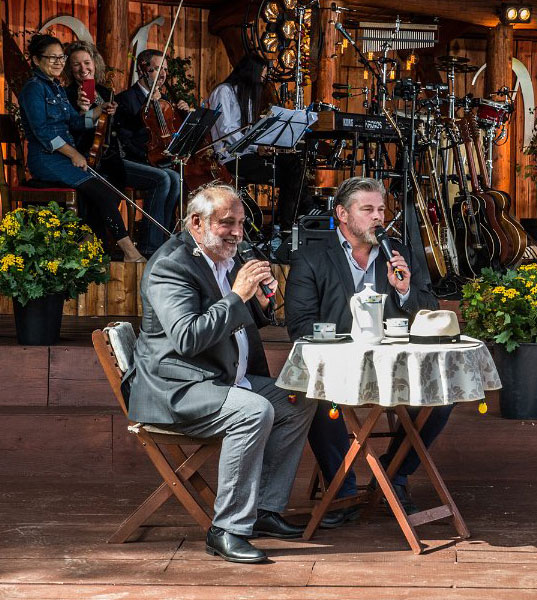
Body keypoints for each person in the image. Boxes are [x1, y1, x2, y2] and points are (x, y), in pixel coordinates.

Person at [124, 183, 317, 563]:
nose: (237, 233)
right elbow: (187, 337)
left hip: (222, 377)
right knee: (253, 411)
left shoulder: (224, 257)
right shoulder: (170, 266)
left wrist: (259, 300)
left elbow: (239, 319)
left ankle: (263, 509)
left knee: (299, 399)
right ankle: (227, 529)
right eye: (227, 223)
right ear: (196, 222)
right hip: (178, 387)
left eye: (241, 224)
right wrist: (237, 295)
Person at [284, 176, 444, 526]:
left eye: (382, 210)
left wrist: (404, 291)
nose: (378, 217)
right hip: (338, 366)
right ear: (342, 214)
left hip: (393, 366)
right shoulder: (312, 257)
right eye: (368, 209)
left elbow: (428, 310)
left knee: (442, 395)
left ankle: (393, 475)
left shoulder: (398, 253)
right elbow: (299, 324)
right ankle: (341, 488)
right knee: (315, 394)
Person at [17, 34, 144, 262]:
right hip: (46, 159)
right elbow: (43, 133)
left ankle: (91, 246)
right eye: (52, 58)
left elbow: (75, 122)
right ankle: (129, 252)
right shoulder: (33, 89)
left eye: (61, 57)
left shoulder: (56, 87)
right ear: (36, 60)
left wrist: (99, 110)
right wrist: (74, 153)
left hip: (63, 159)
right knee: (101, 190)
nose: (58, 62)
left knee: (102, 189)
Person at [63, 41, 180, 257]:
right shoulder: (68, 95)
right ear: (69, 68)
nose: (83, 68)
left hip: (111, 157)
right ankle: (150, 247)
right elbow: (75, 132)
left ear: (95, 63)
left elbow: (118, 128)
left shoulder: (104, 92)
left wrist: (117, 114)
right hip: (93, 160)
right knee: (162, 178)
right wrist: (84, 112)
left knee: (173, 176)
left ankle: (162, 242)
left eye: (87, 62)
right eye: (76, 64)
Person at [208, 54, 307, 233]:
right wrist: (255, 147)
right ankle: (286, 224)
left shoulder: (245, 96)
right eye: (262, 75)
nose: (263, 80)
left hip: (247, 153)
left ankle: (289, 222)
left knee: (294, 165)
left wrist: (266, 143)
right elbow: (226, 131)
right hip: (230, 157)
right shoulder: (224, 91)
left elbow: (248, 131)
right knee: (291, 177)